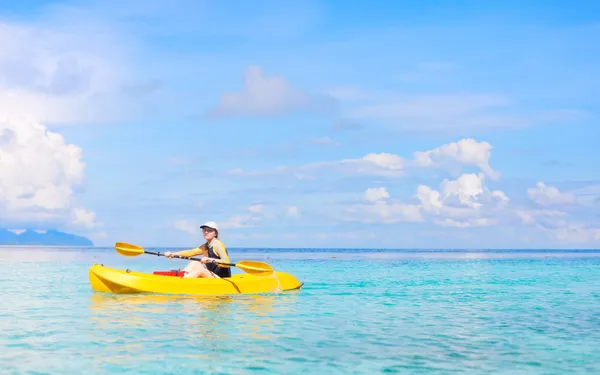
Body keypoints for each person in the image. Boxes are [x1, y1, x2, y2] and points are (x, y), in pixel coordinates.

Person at [164, 221, 231, 278]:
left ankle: (182, 282)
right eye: (204, 230)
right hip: (212, 274)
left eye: (209, 230)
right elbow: (190, 253)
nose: (206, 232)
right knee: (195, 262)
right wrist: (172, 254)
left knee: (200, 270)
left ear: (215, 233)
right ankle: (182, 276)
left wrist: (209, 259)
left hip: (222, 278)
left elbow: (227, 262)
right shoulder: (205, 246)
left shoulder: (218, 245)